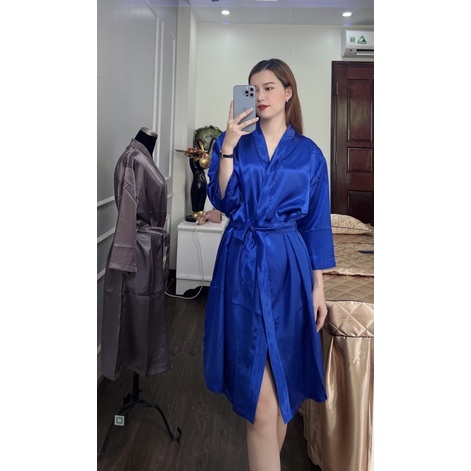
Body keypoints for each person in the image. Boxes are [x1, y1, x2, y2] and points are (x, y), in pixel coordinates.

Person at [203, 59, 336, 470]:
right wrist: (228, 144)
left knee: (281, 394)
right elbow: (224, 200)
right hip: (242, 263)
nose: (260, 96)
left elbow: (315, 225)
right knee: (260, 403)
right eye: (253, 89)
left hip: (288, 269)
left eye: (269, 88)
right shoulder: (234, 143)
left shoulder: (309, 155)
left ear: (288, 92)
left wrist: (318, 287)